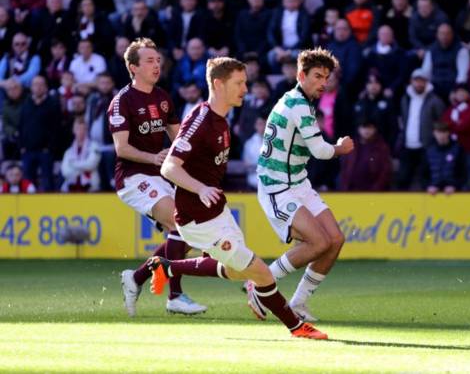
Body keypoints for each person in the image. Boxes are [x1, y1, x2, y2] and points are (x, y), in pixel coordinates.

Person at [151, 56, 328, 339]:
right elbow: (169, 167)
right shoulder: (200, 120)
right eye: (239, 83)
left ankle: (167, 267)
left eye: (245, 82)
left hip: (216, 211)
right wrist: (200, 189)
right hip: (198, 218)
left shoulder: (222, 119)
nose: (245, 88)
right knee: (262, 273)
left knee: (237, 271)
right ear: (219, 85)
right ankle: (297, 327)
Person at [256, 48, 354, 322]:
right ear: (301, 75)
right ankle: (260, 283)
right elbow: (320, 150)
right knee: (319, 242)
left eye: (326, 77)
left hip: (298, 182)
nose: (323, 82)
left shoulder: (302, 101)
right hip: (277, 185)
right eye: (317, 76)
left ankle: (299, 302)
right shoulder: (298, 104)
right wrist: (340, 148)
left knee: (335, 239)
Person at [112, 38, 206, 317]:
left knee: (188, 233)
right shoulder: (122, 102)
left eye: (158, 60)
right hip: (132, 177)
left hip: (161, 175)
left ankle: (137, 277)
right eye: (150, 61)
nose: (157, 65)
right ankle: (175, 297)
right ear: (133, 67)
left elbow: (179, 139)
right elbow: (122, 148)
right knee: (179, 222)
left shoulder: (163, 97)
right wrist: (153, 157)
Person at [398, 69, 446, 190]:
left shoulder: (435, 101)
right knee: (403, 179)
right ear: (411, 82)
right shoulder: (405, 99)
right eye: (416, 81)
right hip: (407, 145)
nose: (419, 84)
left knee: (424, 179)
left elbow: (441, 123)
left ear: (427, 82)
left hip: (426, 146)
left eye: (422, 81)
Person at [19, 75, 59, 191]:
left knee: (47, 180)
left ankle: (50, 206)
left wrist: (50, 147)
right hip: (28, 150)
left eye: (41, 84)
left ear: (46, 87)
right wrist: (22, 146)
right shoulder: (26, 103)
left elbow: (56, 129)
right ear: (31, 87)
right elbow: (21, 126)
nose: (38, 87)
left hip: (45, 151)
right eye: (35, 84)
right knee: (28, 182)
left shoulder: (52, 104)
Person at [339, 118, 393, 191]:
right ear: (359, 129)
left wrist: (375, 190)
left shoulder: (382, 147)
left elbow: (385, 172)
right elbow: (345, 169)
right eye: (364, 127)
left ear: (375, 129)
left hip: (373, 192)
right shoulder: (351, 145)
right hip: (351, 191)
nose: (367, 130)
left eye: (370, 128)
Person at [61, 118, 101, 192]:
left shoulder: (94, 146)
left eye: (83, 129)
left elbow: (91, 165)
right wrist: (83, 167)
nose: (81, 132)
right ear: (73, 130)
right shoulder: (69, 151)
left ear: (87, 130)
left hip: (91, 189)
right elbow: (65, 171)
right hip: (71, 189)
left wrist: (73, 164)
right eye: (78, 129)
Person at [425, 121, 465, 194]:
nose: (441, 135)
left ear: (448, 133)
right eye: (438, 132)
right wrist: (428, 186)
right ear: (434, 133)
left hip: (453, 192)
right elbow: (423, 174)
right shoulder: (429, 150)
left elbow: (463, 173)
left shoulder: (457, 149)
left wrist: (455, 186)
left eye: (443, 132)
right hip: (433, 191)